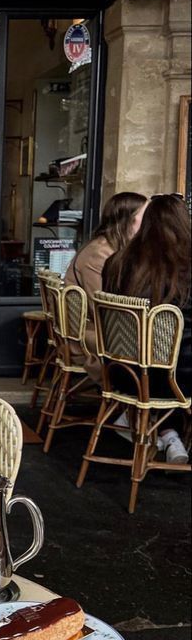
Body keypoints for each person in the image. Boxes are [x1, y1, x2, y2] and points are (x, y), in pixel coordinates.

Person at [102, 194, 191, 464]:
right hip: (177, 379)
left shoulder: (116, 263)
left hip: (124, 372)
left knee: (165, 358)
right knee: (175, 359)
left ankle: (167, 433)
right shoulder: (185, 269)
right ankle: (171, 433)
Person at [64, 191, 147, 381]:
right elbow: (104, 308)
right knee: (153, 348)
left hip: (94, 330)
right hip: (88, 336)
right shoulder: (100, 254)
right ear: (128, 220)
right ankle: (134, 398)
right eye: (145, 217)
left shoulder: (110, 248)